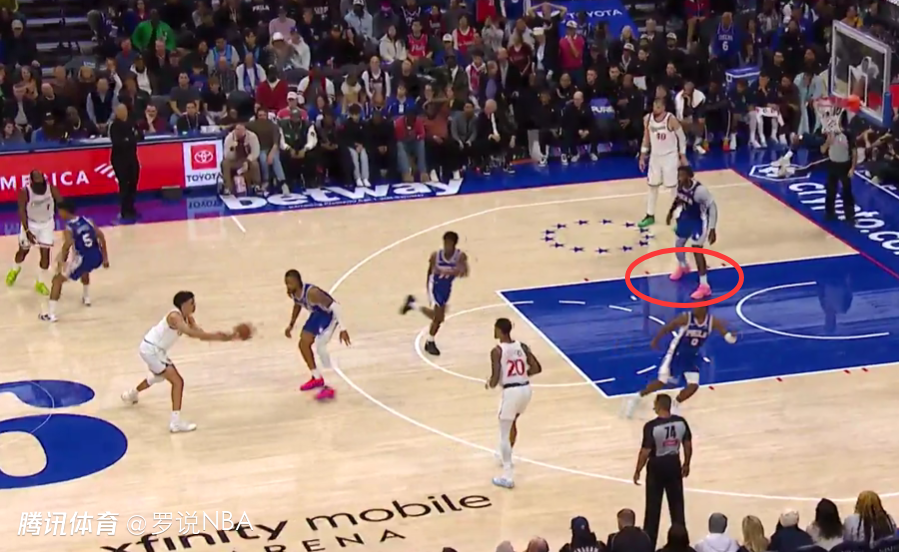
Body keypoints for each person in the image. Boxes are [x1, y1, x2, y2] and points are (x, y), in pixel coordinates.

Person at [122, 291, 250, 433]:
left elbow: (200, 334)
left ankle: (132, 394)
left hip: (154, 350)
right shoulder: (174, 317)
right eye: (191, 303)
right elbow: (190, 333)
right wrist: (218, 335)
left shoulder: (187, 318)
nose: (194, 306)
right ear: (183, 305)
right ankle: (175, 423)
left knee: (158, 376)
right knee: (177, 382)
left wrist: (227, 337)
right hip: (152, 350)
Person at [624, 306, 736, 418]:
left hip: (691, 357)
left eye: (698, 306)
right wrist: (656, 340)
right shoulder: (686, 318)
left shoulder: (712, 321)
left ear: (704, 308)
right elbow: (668, 327)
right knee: (661, 382)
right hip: (676, 355)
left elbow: (728, 337)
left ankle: (675, 404)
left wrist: (732, 336)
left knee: (693, 386)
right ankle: (636, 398)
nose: (694, 308)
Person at [487, 317, 542, 489]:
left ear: (499, 330)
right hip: (526, 389)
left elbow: (495, 379)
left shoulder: (497, 351)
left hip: (511, 392)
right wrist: (521, 376)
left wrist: (489, 384)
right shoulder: (522, 346)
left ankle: (507, 476)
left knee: (504, 432)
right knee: (512, 423)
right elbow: (537, 368)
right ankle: (504, 455)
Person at [633, 394, 691, 549]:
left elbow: (645, 451)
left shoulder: (651, 426)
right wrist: (686, 463)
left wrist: (638, 470)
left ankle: (648, 546)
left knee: (652, 509)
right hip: (674, 464)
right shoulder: (681, 422)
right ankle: (682, 545)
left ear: (658, 406)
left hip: (656, 467)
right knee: (677, 507)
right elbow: (687, 444)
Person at [284, 269, 351, 400]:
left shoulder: (313, 293)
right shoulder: (294, 293)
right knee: (303, 344)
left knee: (321, 347)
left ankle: (330, 386)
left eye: (290, 283)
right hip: (317, 315)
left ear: (298, 282)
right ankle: (317, 378)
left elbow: (335, 306)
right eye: (286, 283)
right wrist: (291, 325)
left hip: (329, 316)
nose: (288, 286)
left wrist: (343, 328)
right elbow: (297, 305)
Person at [399, 231, 470, 356]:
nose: (446, 246)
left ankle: (413, 304)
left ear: (454, 244)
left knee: (438, 317)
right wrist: (429, 288)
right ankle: (430, 342)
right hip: (435, 285)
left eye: (449, 243)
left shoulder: (460, 256)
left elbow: (465, 273)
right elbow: (430, 272)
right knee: (438, 317)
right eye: (445, 243)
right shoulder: (436, 256)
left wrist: (454, 271)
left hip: (446, 287)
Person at [39, 200, 109, 322]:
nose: (59, 214)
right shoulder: (88, 220)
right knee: (85, 269)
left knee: (57, 280)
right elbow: (101, 236)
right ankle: (86, 298)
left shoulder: (69, 228)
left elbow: (67, 246)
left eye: (60, 211)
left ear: (65, 211)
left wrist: (61, 262)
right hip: (96, 256)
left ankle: (51, 314)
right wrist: (105, 257)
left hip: (83, 258)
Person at [6, 170, 63, 295]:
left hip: (46, 224)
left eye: (42, 181)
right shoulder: (25, 192)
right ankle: (15, 269)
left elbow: (61, 202)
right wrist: (27, 231)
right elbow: (21, 211)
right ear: (32, 182)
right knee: (23, 251)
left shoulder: (51, 188)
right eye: (37, 182)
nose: (40, 184)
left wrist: (67, 215)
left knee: (45, 256)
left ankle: (40, 282)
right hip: (30, 224)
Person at [665, 166, 718, 299]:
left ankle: (704, 286)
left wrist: (712, 228)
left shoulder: (700, 191)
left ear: (689, 176)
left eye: (682, 175)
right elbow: (679, 199)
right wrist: (671, 212)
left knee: (697, 251)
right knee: (678, 244)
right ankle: (683, 266)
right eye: (678, 175)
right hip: (685, 218)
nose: (679, 178)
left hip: (699, 221)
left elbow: (712, 207)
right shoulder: (680, 186)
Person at [638, 99, 688, 228]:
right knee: (652, 186)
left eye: (659, 107)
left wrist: (682, 154)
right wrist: (642, 155)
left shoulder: (671, 119)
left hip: (670, 157)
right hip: (655, 157)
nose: (656, 109)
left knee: (673, 188)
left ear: (664, 108)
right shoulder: (647, 119)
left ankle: (678, 218)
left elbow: (682, 137)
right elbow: (646, 138)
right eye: (654, 106)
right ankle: (650, 215)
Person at [108, 104, 142, 221]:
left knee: (133, 183)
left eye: (125, 110)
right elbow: (118, 142)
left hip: (132, 157)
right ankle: (124, 210)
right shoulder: (114, 126)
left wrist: (130, 139)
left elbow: (140, 136)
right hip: (120, 159)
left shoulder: (131, 123)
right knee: (124, 184)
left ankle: (131, 208)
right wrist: (131, 139)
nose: (124, 113)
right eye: (121, 111)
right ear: (117, 113)